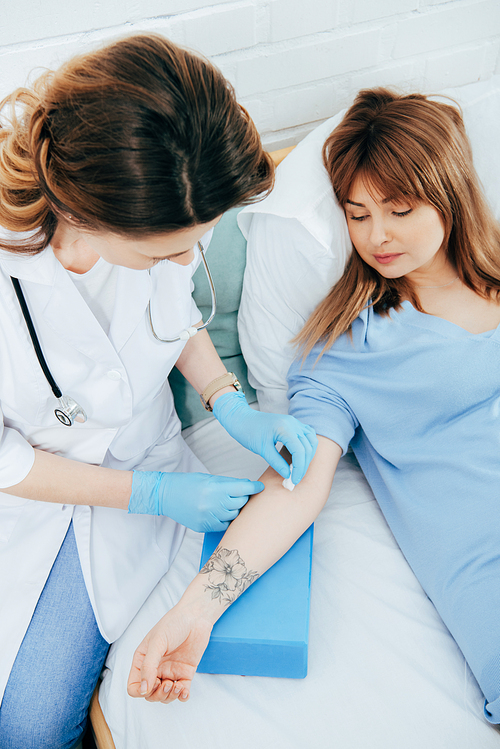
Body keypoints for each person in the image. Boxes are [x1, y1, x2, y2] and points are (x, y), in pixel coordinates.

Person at [127, 87, 500, 726]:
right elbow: (295, 485)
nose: (377, 236)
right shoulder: (350, 348)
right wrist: (196, 609)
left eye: (399, 209)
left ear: (452, 194)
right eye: (357, 215)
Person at [0, 34, 318, 749]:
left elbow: (172, 321)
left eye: (193, 243)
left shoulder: (165, 211)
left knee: (28, 728)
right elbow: (8, 461)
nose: (184, 259)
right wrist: (148, 493)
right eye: (164, 251)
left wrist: (227, 399)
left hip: (136, 475)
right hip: (28, 498)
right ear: (85, 211)